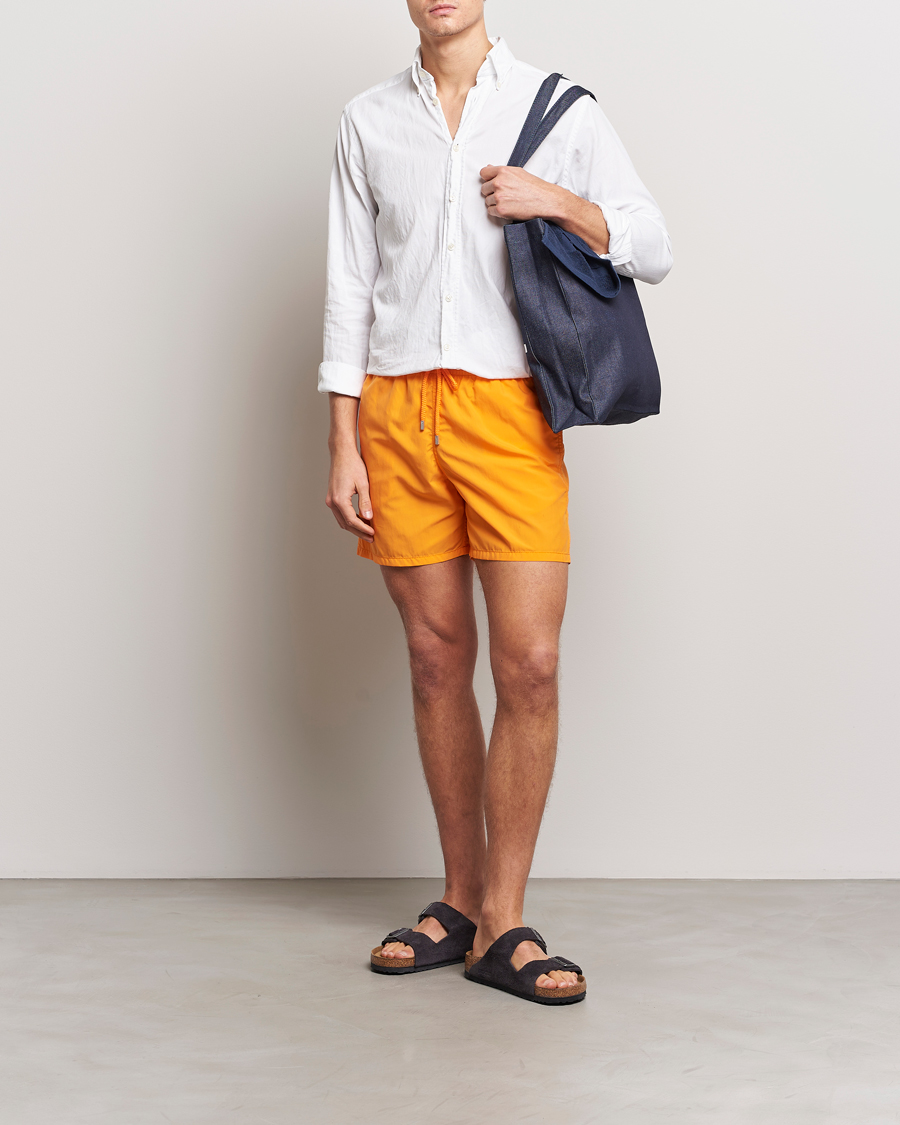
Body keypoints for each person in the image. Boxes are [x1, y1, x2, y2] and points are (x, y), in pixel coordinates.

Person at [319, 0, 671, 1005]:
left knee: (530, 665)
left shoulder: (558, 109)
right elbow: (350, 284)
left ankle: (507, 922)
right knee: (436, 660)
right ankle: (462, 900)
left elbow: (652, 244)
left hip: (511, 411)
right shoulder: (367, 119)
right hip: (396, 409)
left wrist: (556, 201)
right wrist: (343, 439)